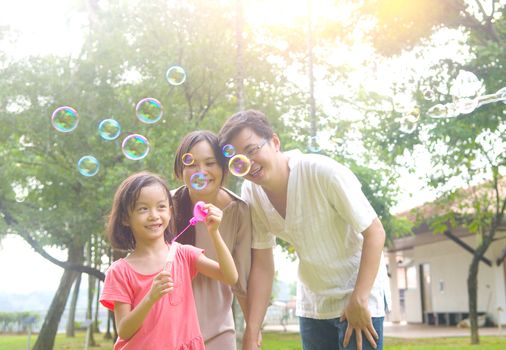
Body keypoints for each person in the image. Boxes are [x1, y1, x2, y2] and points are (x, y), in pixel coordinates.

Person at [218, 110, 391, 350]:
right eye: (237, 160)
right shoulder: (251, 192)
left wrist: (360, 298)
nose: (248, 164)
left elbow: (375, 231)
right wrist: (252, 330)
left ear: (275, 142)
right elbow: (263, 264)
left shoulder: (323, 172)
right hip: (313, 302)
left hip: (357, 293)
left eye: (252, 150)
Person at [99, 171, 238, 350]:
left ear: (170, 212)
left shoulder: (183, 254)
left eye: (161, 207)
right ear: (126, 218)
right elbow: (124, 330)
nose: (154, 215)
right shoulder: (119, 271)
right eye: (143, 208)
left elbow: (230, 277)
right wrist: (151, 297)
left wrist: (214, 232)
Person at [172, 130, 252, 349]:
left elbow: (241, 281)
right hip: (169, 331)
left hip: (218, 333)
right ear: (181, 169)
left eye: (210, 163)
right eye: (191, 164)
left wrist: (253, 333)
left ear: (224, 168)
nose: (201, 172)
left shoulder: (239, 211)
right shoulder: (165, 205)